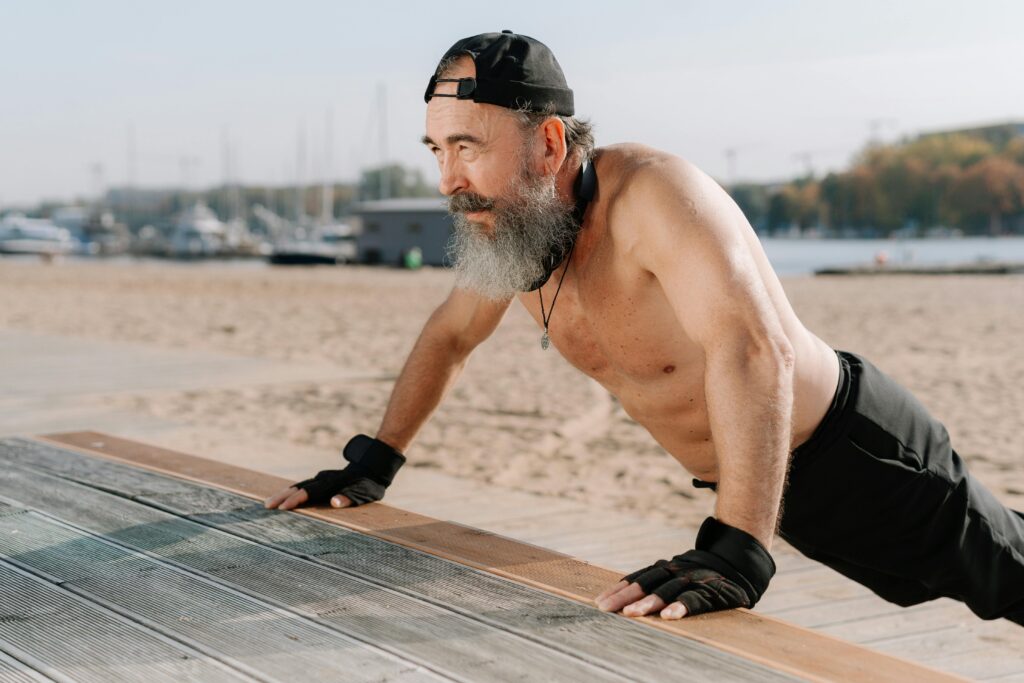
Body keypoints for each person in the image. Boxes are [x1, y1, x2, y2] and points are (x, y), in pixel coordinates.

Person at [265, 31, 1024, 625]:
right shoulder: (520, 233)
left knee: (1010, 579)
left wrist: (737, 544)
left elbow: (752, 347)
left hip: (861, 452)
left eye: (468, 147)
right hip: (771, 488)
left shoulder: (656, 196)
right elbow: (450, 335)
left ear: (549, 143)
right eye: (438, 149)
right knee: (956, 592)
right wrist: (375, 459)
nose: (448, 180)